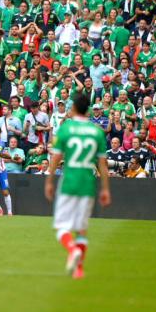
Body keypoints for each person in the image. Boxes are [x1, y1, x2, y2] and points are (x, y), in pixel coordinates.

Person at [44, 93, 111, 280]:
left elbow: (56, 158)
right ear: (88, 110)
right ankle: (79, 270)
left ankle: (72, 250)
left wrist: (49, 181)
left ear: (73, 108)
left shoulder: (66, 128)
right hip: (88, 183)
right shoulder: (96, 131)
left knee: (62, 228)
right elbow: (103, 164)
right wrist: (105, 189)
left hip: (69, 182)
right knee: (81, 229)